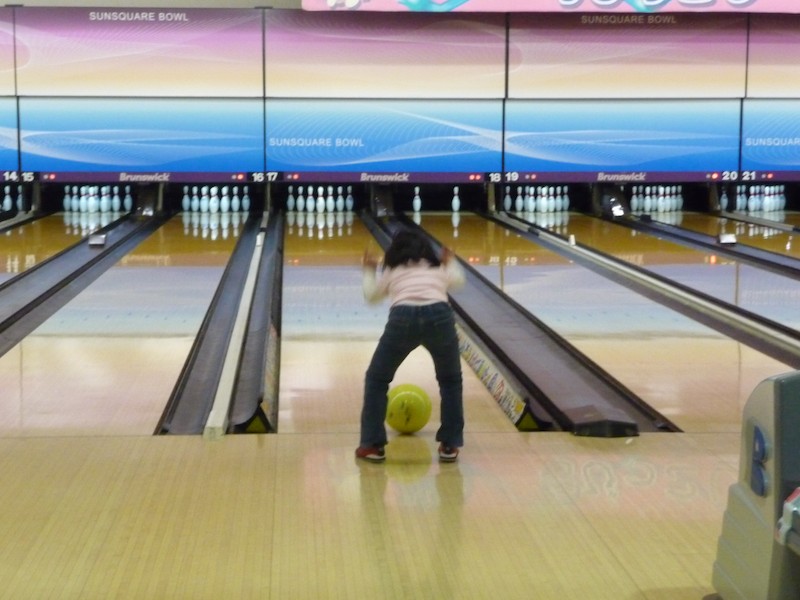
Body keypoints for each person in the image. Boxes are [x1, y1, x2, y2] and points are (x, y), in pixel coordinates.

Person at [356, 229, 466, 463]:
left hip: (403, 318)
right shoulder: (437, 268)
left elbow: (372, 297)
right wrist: (451, 261)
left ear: (395, 252)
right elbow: (458, 282)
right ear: (427, 250)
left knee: (377, 380)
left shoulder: (393, 270)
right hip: (440, 317)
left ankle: (372, 446)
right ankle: (449, 445)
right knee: (450, 381)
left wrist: (368, 270)